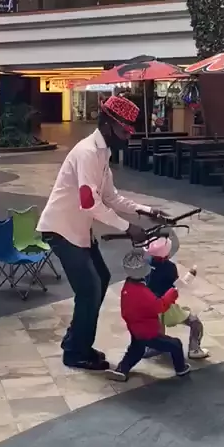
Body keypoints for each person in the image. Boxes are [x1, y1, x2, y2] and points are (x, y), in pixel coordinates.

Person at [38, 95, 168, 372]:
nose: (127, 138)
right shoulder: (87, 152)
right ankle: (76, 352)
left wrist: (145, 210)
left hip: (77, 230)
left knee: (101, 279)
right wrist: (127, 227)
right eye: (124, 132)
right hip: (60, 229)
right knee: (90, 289)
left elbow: (111, 197)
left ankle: (77, 341)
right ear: (108, 125)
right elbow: (89, 203)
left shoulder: (103, 153)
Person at [115, 248, 190, 382]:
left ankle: (121, 370)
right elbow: (159, 306)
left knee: (136, 350)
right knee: (175, 344)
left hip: (135, 328)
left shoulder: (128, 286)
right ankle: (181, 368)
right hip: (148, 332)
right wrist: (172, 293)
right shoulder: (143, 293)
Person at [145, 235, 209, 361]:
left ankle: (154, 347)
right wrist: (190, 275)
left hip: (148, 305)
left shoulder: (146, 264)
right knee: (195, 322)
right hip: (165, 305)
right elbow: (178, 286)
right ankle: (194, 350)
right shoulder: (169, 267)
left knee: (157, 326)